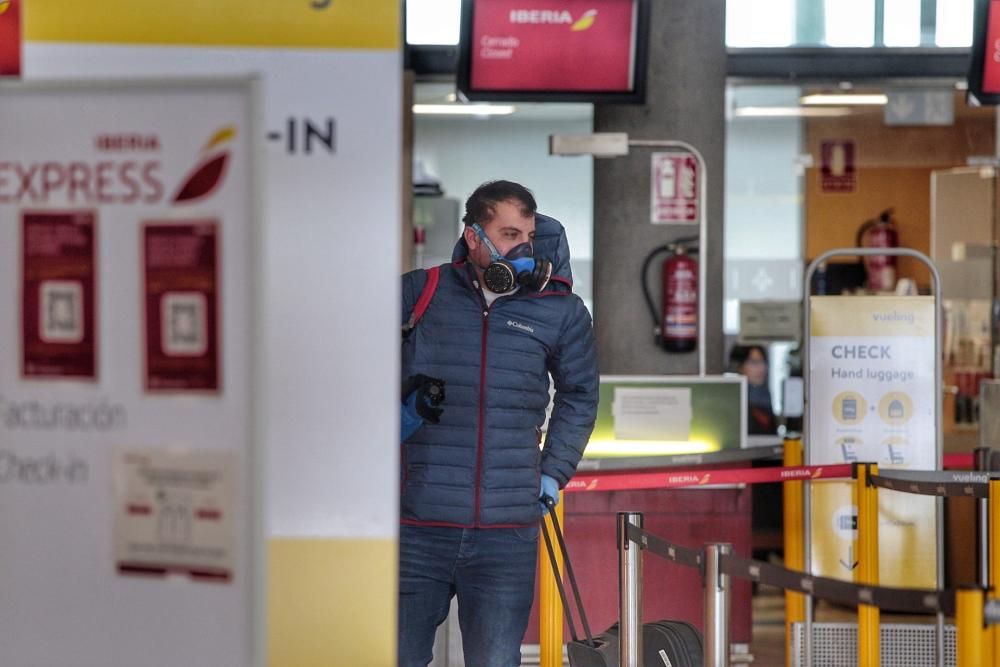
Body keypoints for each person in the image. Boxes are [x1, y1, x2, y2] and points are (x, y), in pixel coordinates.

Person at [398, 180, 599, 667]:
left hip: (506, 532)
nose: (522, 247)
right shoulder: (419, 293)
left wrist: (553, 471)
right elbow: (351, 374)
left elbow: (580, 394)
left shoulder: (562, 312)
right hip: (416, 525)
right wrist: (403, 413)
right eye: (508, 234)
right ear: (473, 236)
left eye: (527, 234)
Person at [729, 344, 777, 435]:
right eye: (754, 362)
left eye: (763, 362)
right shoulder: (733, 398)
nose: (761, 368)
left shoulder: (764, 395)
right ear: (739, 366)